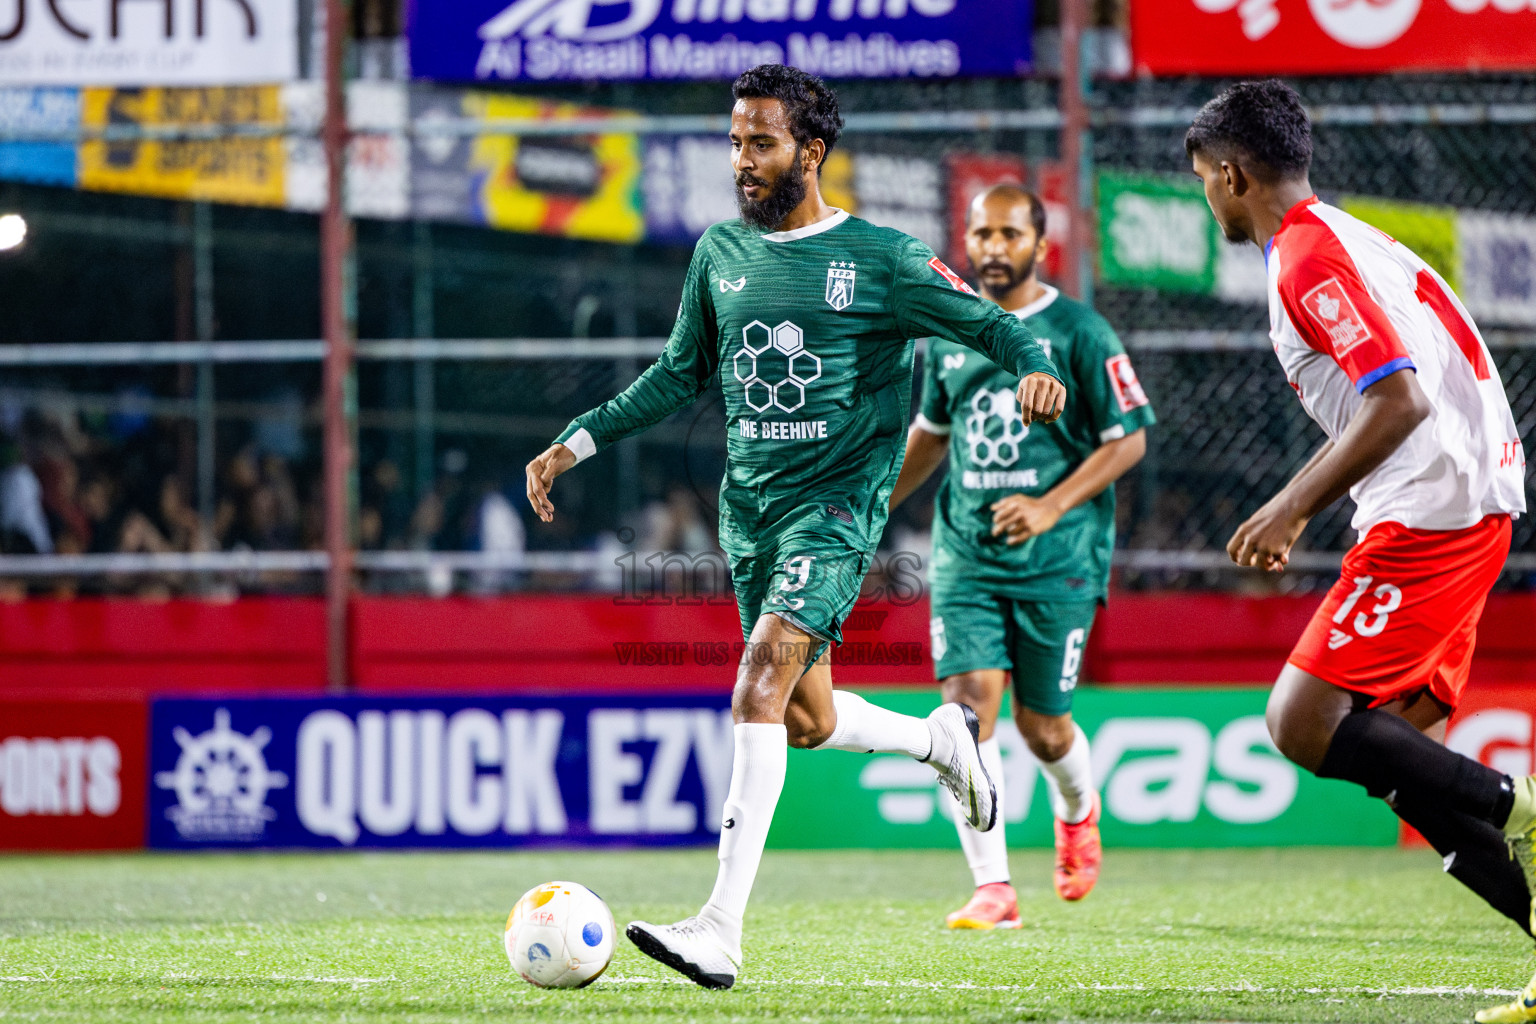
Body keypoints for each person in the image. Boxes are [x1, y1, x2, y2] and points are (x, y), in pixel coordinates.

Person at [525, 64, 1066, 989]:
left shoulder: (884, 259)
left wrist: (1035, 364)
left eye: (762, 142)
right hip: (751, 521)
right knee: (808, 719)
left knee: (758, 685)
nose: (743, 159)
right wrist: (575, 441)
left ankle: (719, 930)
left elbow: (989, 325)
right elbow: (677, 373)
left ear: (810, 152)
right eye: (736, 141)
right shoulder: (719, 253)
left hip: (835, 514)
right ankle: (943, 743)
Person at [1185, 79, 1534, 1023]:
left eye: (1204, 181)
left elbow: (1398, 399)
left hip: (1431, 513)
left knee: (1300, 721)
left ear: (1232, 175)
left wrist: (1289, 507)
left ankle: (1521, 808)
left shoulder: (1306, 257)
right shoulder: (1341, 235)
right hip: (1464, 501)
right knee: (1407, 767)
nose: (1207, 199)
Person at [888, 185, 1154, 928]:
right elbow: (933, 434)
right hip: (966, 556)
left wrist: (1049, 506)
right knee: (966, 710)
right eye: (983, 234)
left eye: (1011, 234)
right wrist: (870, 509)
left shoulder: (1080, 331)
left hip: (1057, 558)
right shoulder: (951, 331)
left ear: (1041, 245)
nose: (995, 247)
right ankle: (993, 886)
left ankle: (1078, 808)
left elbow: (1128, 439)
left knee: (1044, 729)